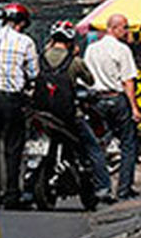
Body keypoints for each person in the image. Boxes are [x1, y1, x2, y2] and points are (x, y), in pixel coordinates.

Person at [0, 2, 39, 209]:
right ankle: (12, 194)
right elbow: (33, 74)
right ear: (21, 23)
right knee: (13, 147)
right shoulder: (25, 42)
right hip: (12, 100)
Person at [40, 20, 110, 196]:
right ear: (71, 41)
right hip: (69, 115)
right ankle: (103, 186)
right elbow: (90, 81)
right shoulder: (75, 61)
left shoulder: (40, 58)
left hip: (42, 114)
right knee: (93, 147)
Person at [84, 13, 141, 201]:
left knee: (98, 145)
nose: (126, 32)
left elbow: (86, 77)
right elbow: (128, 81)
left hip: (96, 101)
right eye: (124, 28)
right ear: (114, 28)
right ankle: (124, 189)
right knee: (128, 144)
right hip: (117, 100)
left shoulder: (91, 49)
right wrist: (134, 107)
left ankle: (102, 187)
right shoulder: (122, 50)